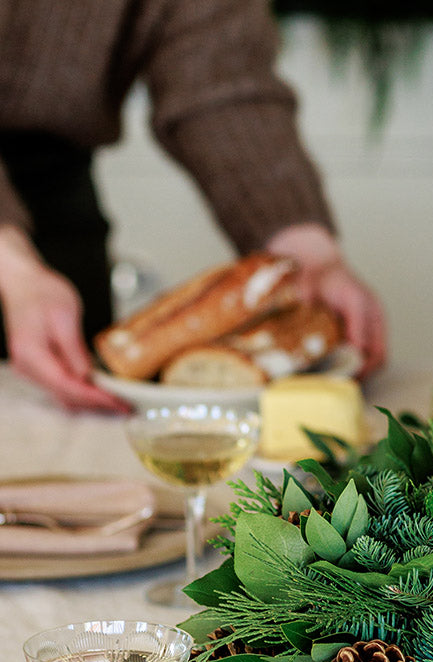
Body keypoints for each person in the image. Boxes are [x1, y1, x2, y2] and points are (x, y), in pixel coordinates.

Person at [0, 0, 387, 412]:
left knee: (79, 436)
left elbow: (220, 80)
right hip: (19, 259)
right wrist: (13, 269)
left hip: (56, 203)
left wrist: (307, 251)